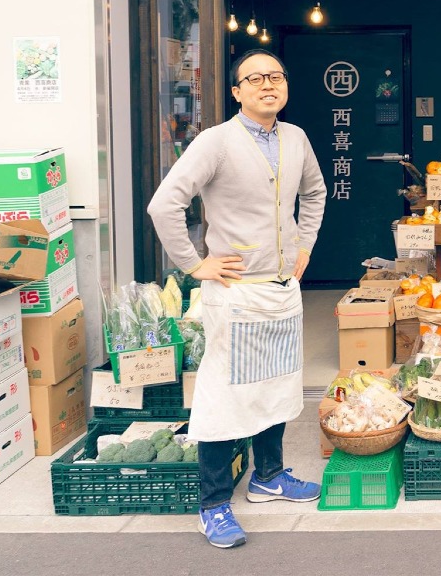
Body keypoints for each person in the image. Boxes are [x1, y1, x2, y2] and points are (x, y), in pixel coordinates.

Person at [148, 49, 327, 548]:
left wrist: (305, 243)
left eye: (276, 76)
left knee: (276, 386)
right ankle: (214, 504)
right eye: (256, 78)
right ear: (237, 91)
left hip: (280, 291)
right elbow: (165, 203)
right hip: (234, 291)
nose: (268, 85)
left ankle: (269, 477)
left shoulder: (296, 138)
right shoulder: (217, 142)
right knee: (223, 398)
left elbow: (315, 193)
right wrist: (193, 263)